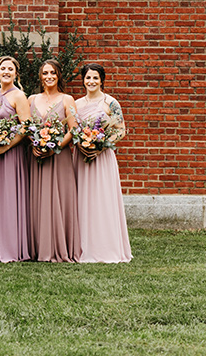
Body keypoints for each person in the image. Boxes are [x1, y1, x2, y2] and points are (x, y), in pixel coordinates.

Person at [74, 63, 132, 263]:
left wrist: (100, 146)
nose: (91, 82)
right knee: (82, 199)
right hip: (81, 157)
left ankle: (106, 247)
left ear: (102, 80)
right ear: (83, 79)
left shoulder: (110, 103)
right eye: (88, 78)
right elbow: (73, 130)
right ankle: (82, 246)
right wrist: (81, 144)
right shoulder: (77, 104)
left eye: (95, 78)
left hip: (102, 157)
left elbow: (121, 130)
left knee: (102, 200)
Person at [28, 59, 80, 262]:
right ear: (40, 76)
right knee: (38, 199)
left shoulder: (67, 99)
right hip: (36, 157)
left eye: (53, 73)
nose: (49, 77)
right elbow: (26, 126)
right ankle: (39, 246)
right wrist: (35, 144)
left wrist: (56, 147)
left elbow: (73, 129)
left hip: (59, 157)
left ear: (59, 76)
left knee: (60, 198)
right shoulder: (31, 99)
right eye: (45, 73)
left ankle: (60, 245)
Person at [0, 55, 32, 263]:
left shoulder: (19, 96)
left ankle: (11, 247)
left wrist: (6, 146)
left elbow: (27, 126)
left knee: (9, 198)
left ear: (16, 74)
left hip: (11, 155)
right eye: (3, 68)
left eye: (10, 69)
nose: (6, 72)